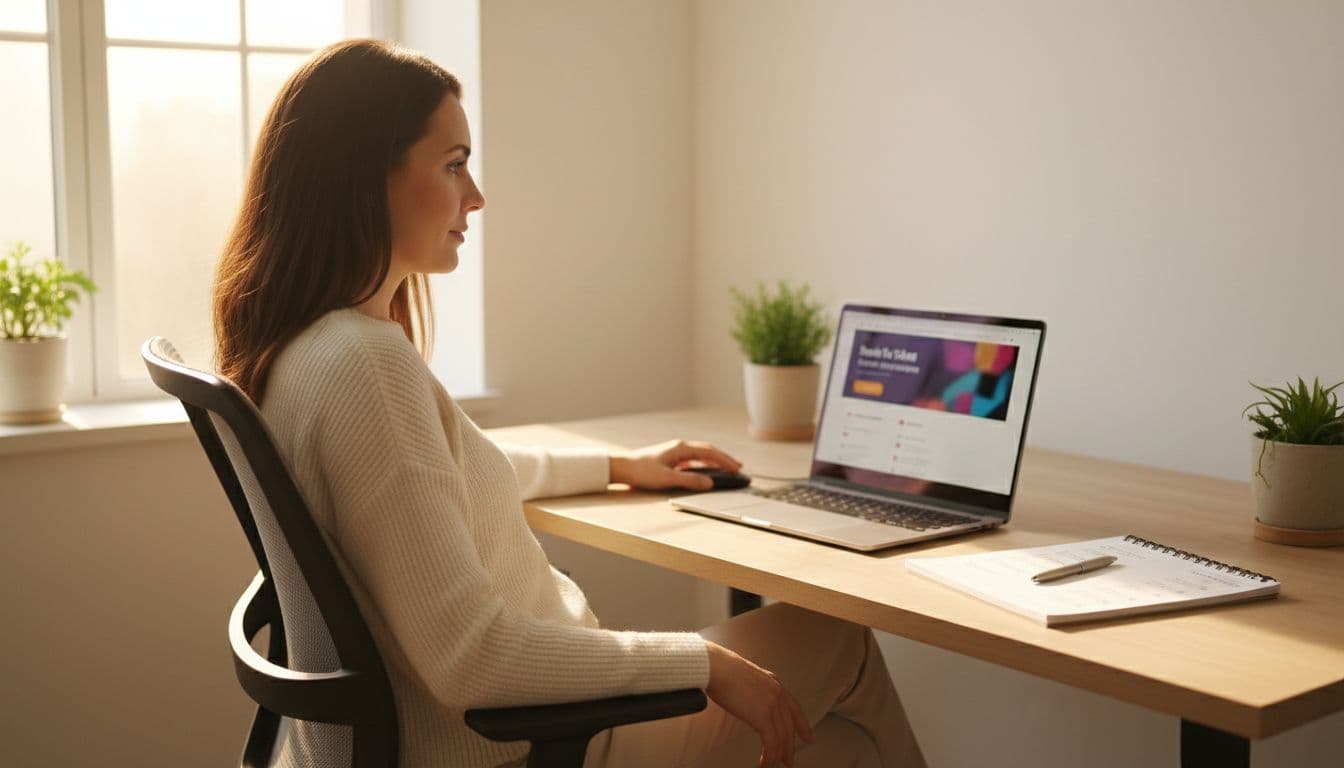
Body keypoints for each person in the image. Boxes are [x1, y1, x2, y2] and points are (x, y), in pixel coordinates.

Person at [213, 39, 925, 768]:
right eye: (453, 163)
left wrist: (618, 464)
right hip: (523, 743)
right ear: (367, 178)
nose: (476, 195)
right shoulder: (368, 364)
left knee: (841, 750)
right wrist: (702, 664)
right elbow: (472, 658)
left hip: (439, 738)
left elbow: (430, 477)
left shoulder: (306, 351)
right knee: (840, 638)